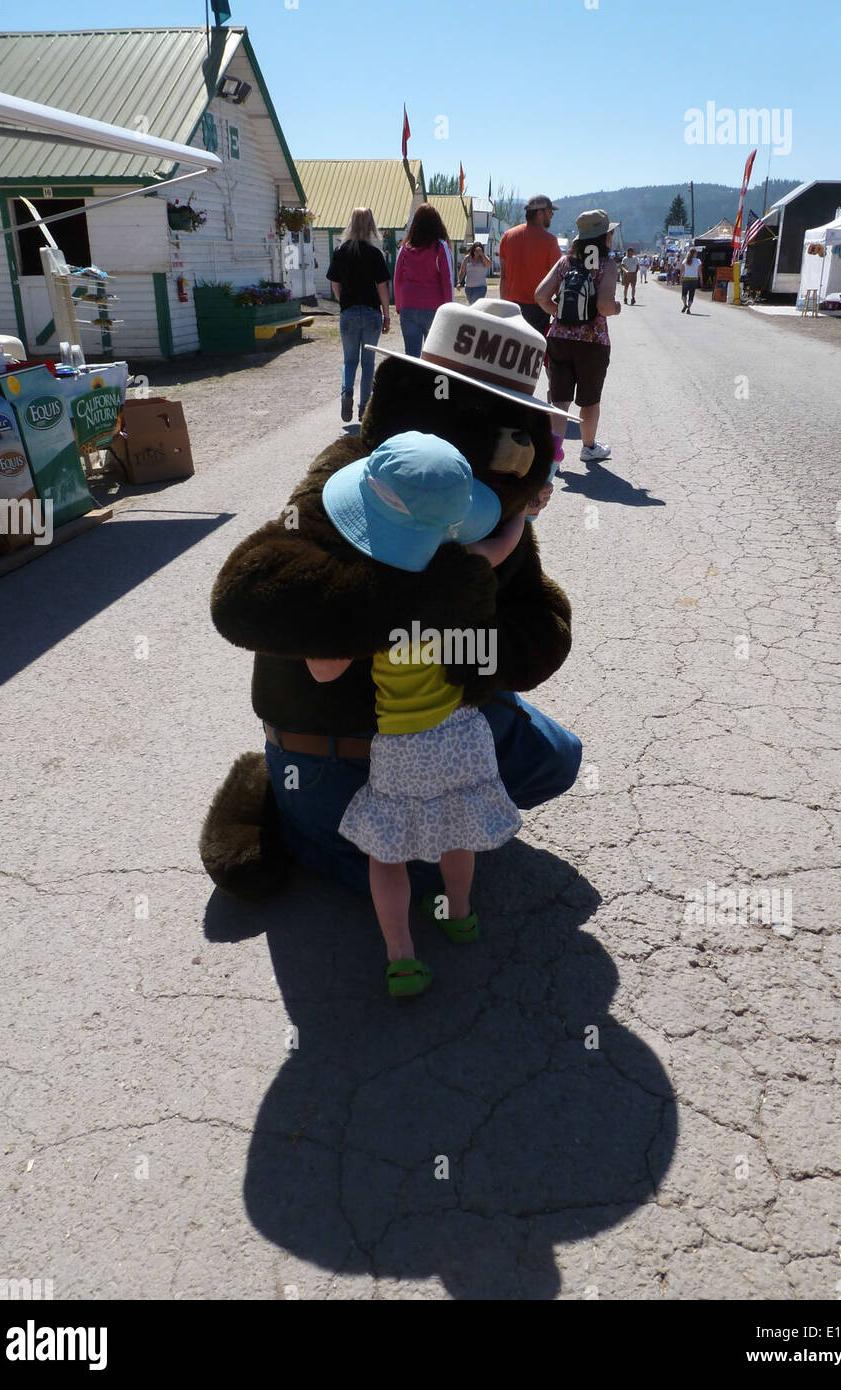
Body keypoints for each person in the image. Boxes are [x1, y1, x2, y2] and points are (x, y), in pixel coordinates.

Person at [311, 431, 525, 997]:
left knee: (388, 854)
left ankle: (401, 956)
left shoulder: (371, 599)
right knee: (458, 833)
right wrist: (524, 507)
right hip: (462, 733)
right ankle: (459, 915)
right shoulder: (461, 571)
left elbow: (323, 670)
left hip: (402, 745)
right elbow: (503, 544)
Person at [534, 208, 620, 465]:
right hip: (593, 342)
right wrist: (615, 308)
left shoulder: (565, 262)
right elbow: (604, 306)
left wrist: (558, 312)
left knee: (560, 400)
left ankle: (553, 457)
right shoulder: (606, 265)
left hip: (559, 338)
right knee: (589, 400)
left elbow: (540, 295)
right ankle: (589, 447)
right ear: (604, 237)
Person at [327, 207, 391, 421]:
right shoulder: (375, 254)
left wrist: (343, 300)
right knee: (368, 363)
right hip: (372, 312)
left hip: (349, 312)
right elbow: (382, 287)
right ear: (371, 225)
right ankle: (364, 407)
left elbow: (335, 284)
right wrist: (387, 314)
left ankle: (347, 393)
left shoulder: (340, 251)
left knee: (350, 360)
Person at [393, 203, 454, 357]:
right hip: (434, 309)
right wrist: (450, 312)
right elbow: (448, 281)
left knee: (411, 357)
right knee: (433, 357)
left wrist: (400, 305)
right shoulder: (441, 247)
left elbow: (398, 278)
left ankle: (412, 382)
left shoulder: (405, 248)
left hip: (408, 307)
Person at [498, 194, 562, 333]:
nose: (552, 215)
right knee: (534, 352)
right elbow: (558, 279)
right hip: (537, 309)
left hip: (511, 308)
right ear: (540, 213)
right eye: (550, 212)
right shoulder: (550, 241)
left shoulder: (508, 236)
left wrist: (504, 306)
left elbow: (503, 276)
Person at [681, 246, 702, 313]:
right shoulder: (698, 261)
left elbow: (682, 271)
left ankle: (685, 304)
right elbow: (700, 271)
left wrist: (680, 278)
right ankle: (689, 309)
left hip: (686, 279)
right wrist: (701, 279)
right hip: (694, 279)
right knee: (691, 294)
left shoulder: (685, 261)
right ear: (694, 253)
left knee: (684, 294)